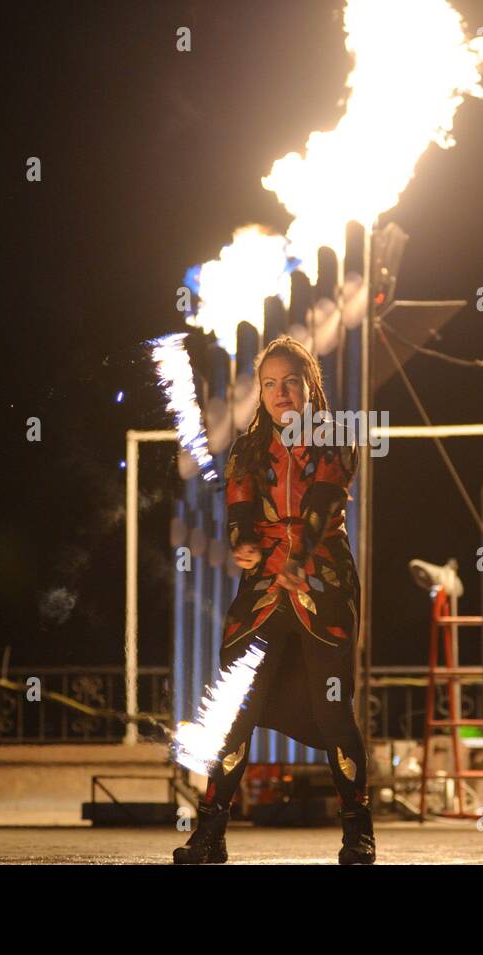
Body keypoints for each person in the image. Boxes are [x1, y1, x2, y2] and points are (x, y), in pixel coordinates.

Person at [174, 335, 374, 864]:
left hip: (323, 581)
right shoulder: (248, 447)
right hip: (265, 587)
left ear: (311, 386)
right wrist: (242, 545)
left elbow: (325, 502)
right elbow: (240, 508)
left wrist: (299, 555)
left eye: (290, 381)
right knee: (236, 709)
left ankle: (358, 832)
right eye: (269, 384)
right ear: (260, 394)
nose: (280, 392)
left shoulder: (337, 436)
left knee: (334, 711)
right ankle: (210, 833)